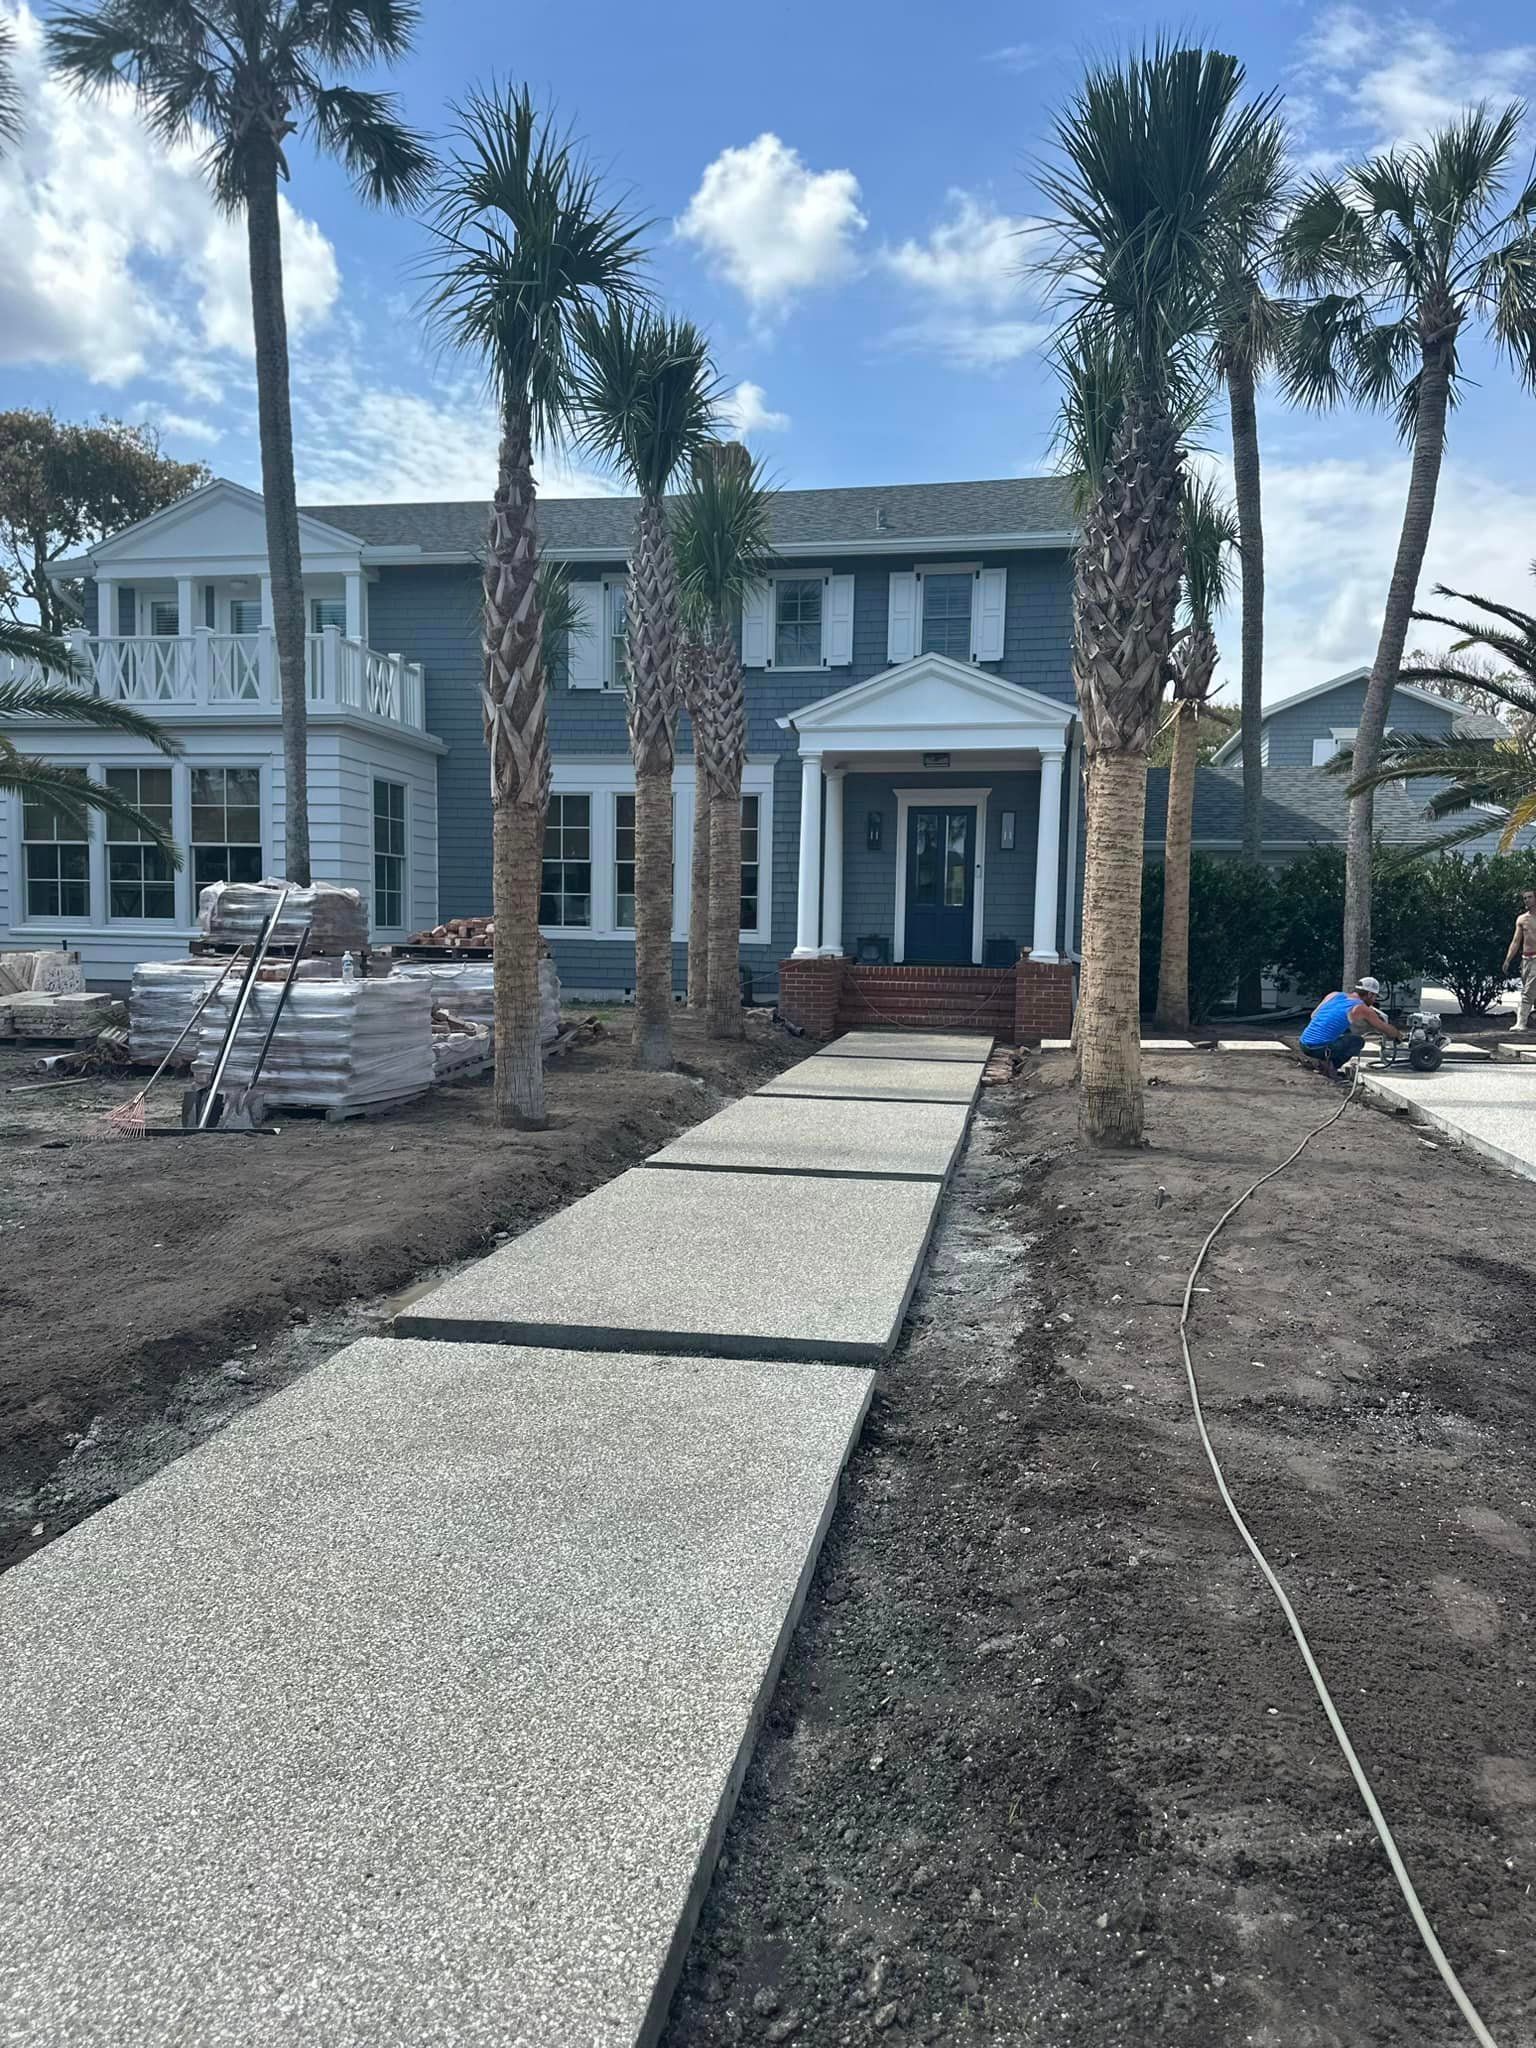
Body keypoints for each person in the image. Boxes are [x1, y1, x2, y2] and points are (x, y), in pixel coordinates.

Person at [1298, 977, 1404, 1073]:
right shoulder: (1360, 1008)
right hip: (1318, 1049)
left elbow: (1313, 1015)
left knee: (1346, 1031)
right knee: (1357, 1042)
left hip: (1303, 1044)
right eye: (1374, 997)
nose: (1374, 1000)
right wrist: (1398, 1035)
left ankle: (1321, 1060)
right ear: (1370, 994)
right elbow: (1384, 1028)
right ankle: (1330, 1067)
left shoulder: (1334, 995)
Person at [1501, 888, 1536, 1031]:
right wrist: (1508, 959)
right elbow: (1516, 941)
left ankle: (1521, 1023)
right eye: (1525, 898)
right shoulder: (1522, 919)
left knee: (1528, 991)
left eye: (1529, 897)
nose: (1527, 900)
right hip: (1526, 959)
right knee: (1530, 990)